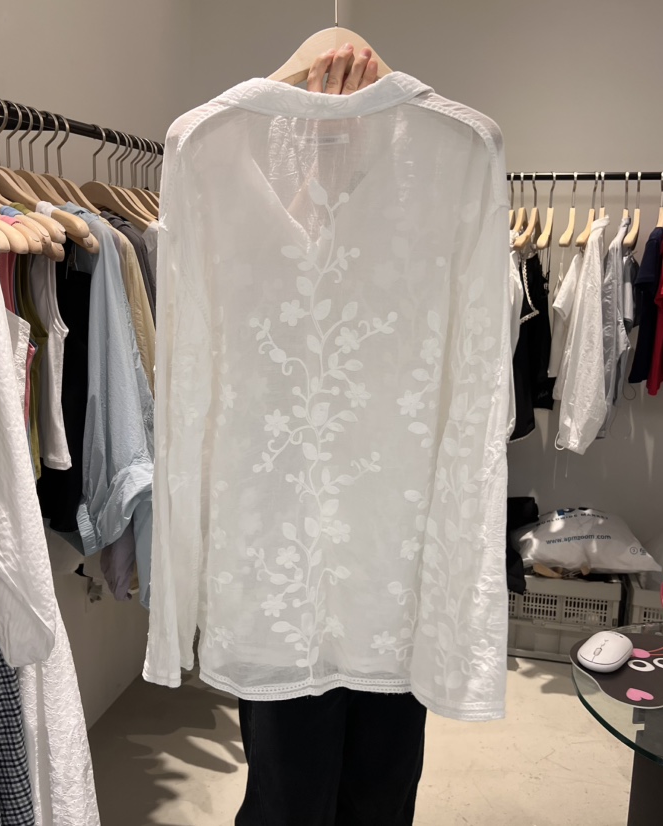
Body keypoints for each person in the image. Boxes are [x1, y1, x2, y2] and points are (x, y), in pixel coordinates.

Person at [235, 45, 428, 826]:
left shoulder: (432, 189)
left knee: (381, 781)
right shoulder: (232, 171)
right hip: (285, 558)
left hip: (389, 553)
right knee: (287, 789)